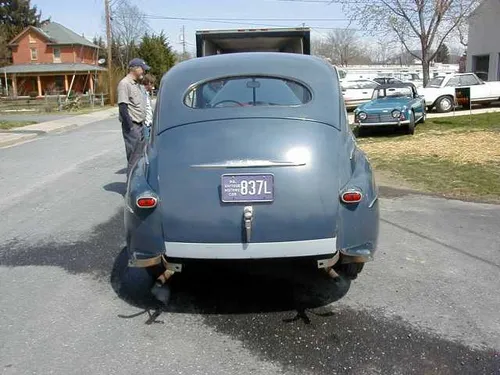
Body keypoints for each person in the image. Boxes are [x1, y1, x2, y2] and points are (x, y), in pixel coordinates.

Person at [117, 58, 150, 174]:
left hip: (140, 125)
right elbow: (123, 107)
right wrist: (130, 127)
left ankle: (138, 181)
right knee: (134, 157)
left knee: (141, 156)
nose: (144, 72)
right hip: (132, 126)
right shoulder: (124, 84)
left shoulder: (136, 85)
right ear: (135, 69)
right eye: (142, 69)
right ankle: (131, 187)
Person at [141, 73, 156, 141]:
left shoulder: (146, 94)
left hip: (149, 123)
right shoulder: (141, 93)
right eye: (152, 84)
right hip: (145, 124)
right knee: (145, 145)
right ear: (149, 83)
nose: (153, 86)